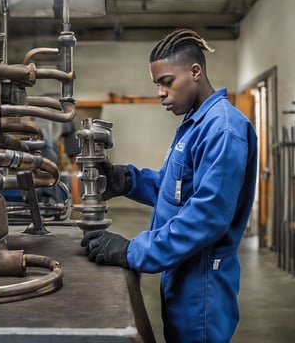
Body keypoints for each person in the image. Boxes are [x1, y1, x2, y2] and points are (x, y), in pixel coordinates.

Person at [81, 28, 258, 343]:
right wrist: (127, 179)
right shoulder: (195, 124)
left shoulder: (223, 129)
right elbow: (174, 189)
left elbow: (206, 217)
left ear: (195, 71)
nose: (161, 92)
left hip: (202, 284)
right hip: (181, 271)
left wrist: (132, 250)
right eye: (157, 84)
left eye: (167, 82)